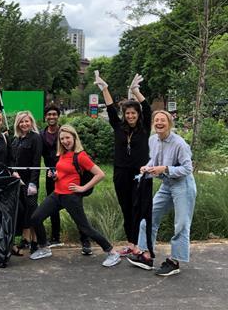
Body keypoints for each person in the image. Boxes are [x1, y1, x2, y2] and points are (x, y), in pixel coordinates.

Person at [29, 124, 121, 267]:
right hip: (57, 194)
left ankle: (112, 252)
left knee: (85, 228)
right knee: (35, 218)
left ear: (74, 137)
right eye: (62, 138)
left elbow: (100, 174)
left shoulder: (81, 156)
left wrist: (83, 187)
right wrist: (55, 176)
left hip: (71, 197)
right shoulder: (63, 154)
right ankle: (44, 248)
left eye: (67, 137)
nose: (65, 141)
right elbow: (64, 172)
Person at [127, 110, 197, 276]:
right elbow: (155, 160)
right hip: (167, 184)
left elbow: (188, 168)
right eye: (156, 120)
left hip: (183, 185)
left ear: (169, 124)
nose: (159, 123)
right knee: (148, 217)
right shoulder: (154, 140)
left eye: (162, 120)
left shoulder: (179, 143)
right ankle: (146, 255)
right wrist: (147, 167)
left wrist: (165, 168)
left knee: (181, 223)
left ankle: (174, 261)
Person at [94, 71, 152, 256]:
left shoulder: (144, 128)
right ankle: (131, 244)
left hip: (141, 173)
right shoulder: (118, 127)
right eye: (127, 113)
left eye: (133, 113)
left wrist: (135, 91)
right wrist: (105, 88)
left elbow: (148, 108)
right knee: (126, 207)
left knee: (140, 208)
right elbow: (110, 108)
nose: (130, 116)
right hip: (121, 173)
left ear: (138, 114)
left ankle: (142, 245)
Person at [40, 104, 91, 254]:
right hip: (52, 175)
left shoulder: (65, 133)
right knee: (52, 208)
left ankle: (85, 241)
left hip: (70, 176)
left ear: (58, 116)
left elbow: (77, 152)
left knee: (76, 210)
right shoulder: (41, 135)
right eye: (49, 114)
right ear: (45, 117)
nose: (51, 117)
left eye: (54, 114)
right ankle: (55, 237)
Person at [10, 111, 42, 255]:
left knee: (32, 210)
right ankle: (25, 239)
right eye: (21, 122)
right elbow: (12, 160)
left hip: (29, 182)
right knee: (23, 211)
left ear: (31, 122)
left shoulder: (36, 138)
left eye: (26, 121)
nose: (24, 124)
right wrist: (13, 173)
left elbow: (36, 162)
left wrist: (33, 183)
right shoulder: (16, 139)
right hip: (17, 181)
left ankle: (36, 241)